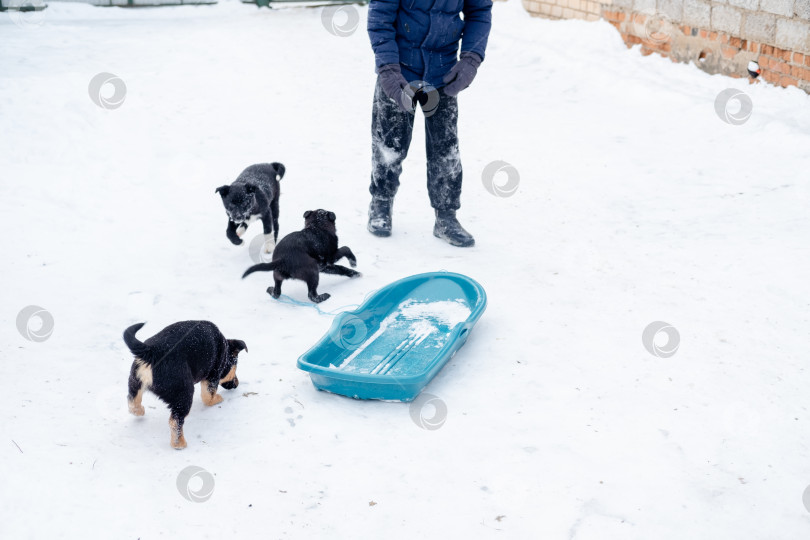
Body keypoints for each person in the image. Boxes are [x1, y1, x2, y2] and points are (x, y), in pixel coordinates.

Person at [366, 0, 493, 247]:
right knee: (389, 144)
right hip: (399, 72)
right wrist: (388, 69)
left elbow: (479, 11)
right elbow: (380, 18)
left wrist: (471, 58)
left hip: (443, 71)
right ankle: (381, 202)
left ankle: (446, 217)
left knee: (446, 149)